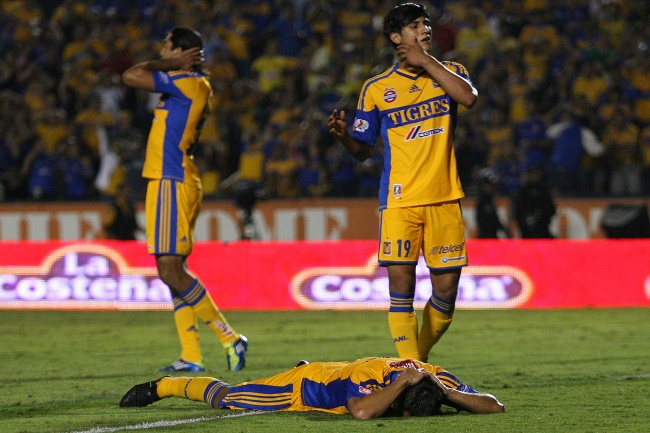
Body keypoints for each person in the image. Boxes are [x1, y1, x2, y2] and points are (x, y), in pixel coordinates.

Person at [327, 3, 478, 362]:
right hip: (399, 201)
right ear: (396, 37)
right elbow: (363, 151)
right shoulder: (376, 88)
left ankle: (416, 363)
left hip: (444, 198)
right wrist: (344, 137)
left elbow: (468, 98)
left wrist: (426, 61)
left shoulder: (451, 71)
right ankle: (411, 370)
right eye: (415, 25)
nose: (425, 29)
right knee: (401, 288)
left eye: (426, 24)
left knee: (446, 293)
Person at [121, 27, 248, 372]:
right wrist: (171, 63)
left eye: (166, 46)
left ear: (179, 51)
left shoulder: (188, 82)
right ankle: (191, 354)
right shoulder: (191, 84)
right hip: (171, 178)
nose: (161, 51)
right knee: (173, 270)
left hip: (171, 180)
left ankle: (229, 337)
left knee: (170, 269)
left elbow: (131, 75)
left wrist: (168, 63)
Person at [119, 356, 505, 418]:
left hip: (336, 372)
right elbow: (362, 411)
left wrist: (447, 394)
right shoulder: (372, 375)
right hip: (302, 388)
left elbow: (495, 406)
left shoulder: (434, 375)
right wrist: (404, 380)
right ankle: (165, 385)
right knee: (228, 398)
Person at [512, 164, 556, 238]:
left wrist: (542, 217)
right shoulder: (523, 191)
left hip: (542, 228)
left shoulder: (544, 190)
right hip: (527, 229)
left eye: (537, 174)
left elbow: (551, 209)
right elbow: (517, 210)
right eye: (533, 174)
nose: (535, 176)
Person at [475, 169, 511, 238]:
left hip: (491, 235)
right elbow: (486, 221)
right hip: (486, 236)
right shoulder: (483, 201)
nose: (491, 188)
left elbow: (494, 218)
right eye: (488, 185)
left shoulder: (489, 199)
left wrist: (502, 228)